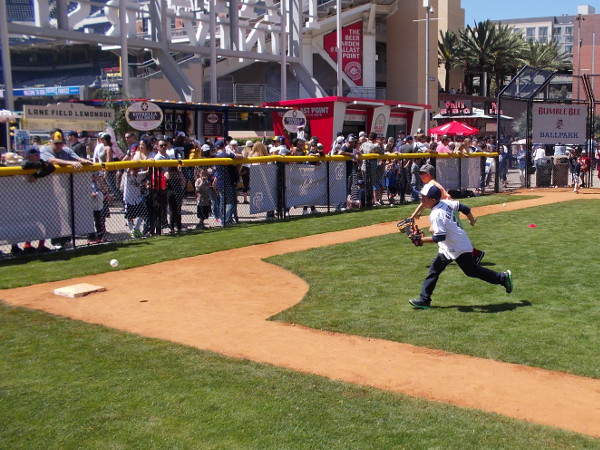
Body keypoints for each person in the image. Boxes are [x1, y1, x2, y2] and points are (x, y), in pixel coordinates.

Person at [408, 184, 513, 309]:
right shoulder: (445, 203)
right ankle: (424, 299)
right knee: (434, 270)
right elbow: (465, 208)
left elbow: (439, 237)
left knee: (471, 271)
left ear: (433, 200)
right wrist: (472, 220)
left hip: (458, 246)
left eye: (424, 197)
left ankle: (503, 277)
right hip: (451, 245)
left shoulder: (436, 214)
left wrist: (421, 240)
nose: (422, 199)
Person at [410, 163, 485, 265]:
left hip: (449, 210)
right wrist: (417, 213)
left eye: (422, 173)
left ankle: (476, 253)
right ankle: (443, 256)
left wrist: (415, 214)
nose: (420, 175)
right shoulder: (430, 185)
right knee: (438, 232)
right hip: (444, 210)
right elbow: (424, 202)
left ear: (429, 174)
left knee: (455, 235)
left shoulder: (431, 185)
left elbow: (424, 202)